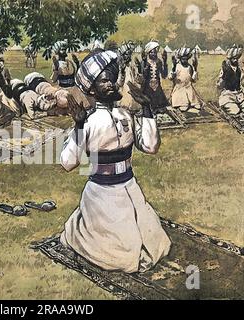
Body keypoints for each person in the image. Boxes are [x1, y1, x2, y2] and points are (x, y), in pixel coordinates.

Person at [59, 49, 171, 273]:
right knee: (122, 256)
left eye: (111, 79)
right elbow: (68, 162)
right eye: (103, 81)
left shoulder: (125, 114)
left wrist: (147, 109)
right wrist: (79, 126)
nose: (110, 84)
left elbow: (150, 147)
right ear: (92, 88)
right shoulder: (89, 121)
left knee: (159, 245)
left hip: (130, 187)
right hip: (102, 194)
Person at [169, 47, 202, 113]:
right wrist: (173, 69)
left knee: (198, 106)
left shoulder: (189, 67)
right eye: (183, 59)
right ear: (180, 59)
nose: (185, 61)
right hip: (179, 90)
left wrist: (195, 68)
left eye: (186, 59)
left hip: (189, 90)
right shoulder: (177, 66)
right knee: (183, 107)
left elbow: (193, 80)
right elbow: (170, 77)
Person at [139, 41, 169, 113]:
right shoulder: (144, 62)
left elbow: (164, 75)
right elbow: (143, 76)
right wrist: (145, 65)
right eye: (151, 52)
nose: (154, 54)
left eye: (155, 52)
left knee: (161, 109)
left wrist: (165, 62)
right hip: (147, 88)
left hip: (158, 88)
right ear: (148, 53)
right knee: (148, 107)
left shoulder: (159, 62)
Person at [217, 45, 244, 115]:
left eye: (237, 58)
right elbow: (219, 85)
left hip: (238, 95)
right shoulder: (225, 69)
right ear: (230, 59)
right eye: (233, 59)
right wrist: (222, 77)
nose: (235, 60)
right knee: (235, 110)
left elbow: (241, 83)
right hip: (228, 95)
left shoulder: (239, 70)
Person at [117, 41, 142, 113]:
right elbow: (119, 82)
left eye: (129, 54)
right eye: (126, 54)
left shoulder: (132, 65)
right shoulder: (120, 66)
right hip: (124, 90)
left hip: (132, 88)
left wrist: (139, 68)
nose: (128, 56)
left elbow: (137, 78)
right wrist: (122, 71)